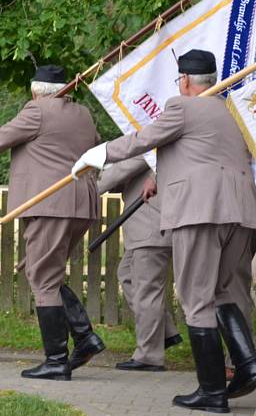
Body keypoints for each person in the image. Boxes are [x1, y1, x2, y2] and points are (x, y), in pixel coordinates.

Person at [73, 49, 256, 412]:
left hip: (199, 213)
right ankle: (248, 364)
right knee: (222, 292)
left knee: (197, 299)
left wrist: (100, 153)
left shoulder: (181, 107)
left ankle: (212, 393)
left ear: (184, 81)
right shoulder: (231, 112)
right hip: (242, 212)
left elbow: (144, 138)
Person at [0, 65, 104, 381]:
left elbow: (0, 137)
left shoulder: (38, 110)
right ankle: (85, 338)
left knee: (42, 278)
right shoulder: (83, 113)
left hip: (49, 203)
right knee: (48, 273)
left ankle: (57, 361)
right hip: (82, 202)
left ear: (35, 91)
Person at [97, 156, 182, 372]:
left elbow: (114, 175)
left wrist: (86, 176)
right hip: (145, 226)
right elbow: (121, 179)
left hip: (151, 224)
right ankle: (165, 333)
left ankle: (149, 356)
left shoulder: (148, 141)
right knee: (126, 274)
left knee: (147, 290)